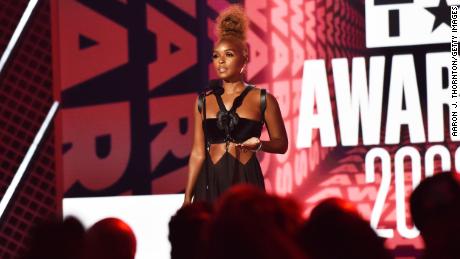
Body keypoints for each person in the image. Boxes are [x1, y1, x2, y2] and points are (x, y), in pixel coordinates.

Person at [184, 5, 288, 204]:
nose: (221, 61)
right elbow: (198, 152)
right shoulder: (204, 101)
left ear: (244, 59)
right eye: (216, 56)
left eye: (229, 55)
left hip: (246, 178)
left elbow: (281, 144)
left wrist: (260, 144)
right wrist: (188, 196)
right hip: (210, 180)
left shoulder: (262, 98)